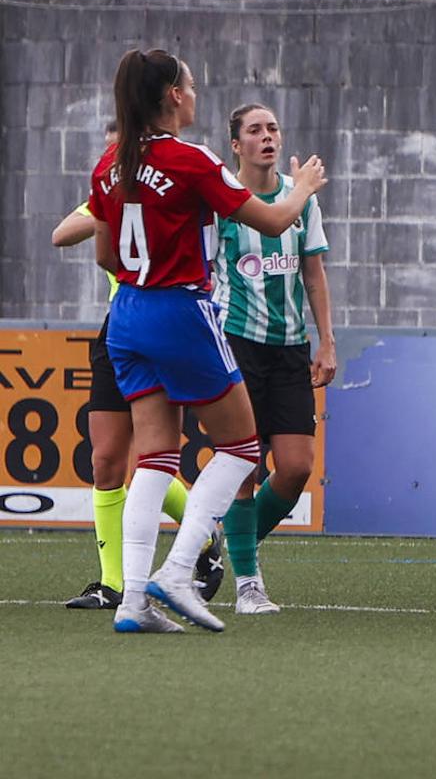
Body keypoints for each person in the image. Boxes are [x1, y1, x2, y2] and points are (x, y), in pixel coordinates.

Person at [89, 48, 326, 633]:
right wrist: (304, 188)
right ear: (172, 95)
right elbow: (272, 221)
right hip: (179, 309)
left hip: (126, 313)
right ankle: (178, 570)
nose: (195, 94)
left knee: (156, 456)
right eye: (190, 85)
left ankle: (133, 601)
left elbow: (102, 253)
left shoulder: (108, 164)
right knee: (243, 449)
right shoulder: (191, 159)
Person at [54, 119, 221, 610]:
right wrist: (109, 206)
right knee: (105, 459)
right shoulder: (109, 188)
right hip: (117, 329)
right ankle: (113, 585)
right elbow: (61, 234)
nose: (115, 164)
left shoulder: (173, 190)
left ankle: (203, 536)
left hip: (163, 326)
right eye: (111, 157)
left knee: (148, 460)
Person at [214, 104, 337, 615]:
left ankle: (223, 543)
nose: (267, 137)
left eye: (272, 129)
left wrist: (326, 340)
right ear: (236, 145)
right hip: (236, 343)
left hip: (290, 349)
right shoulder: (223, 200)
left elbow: (313, 274)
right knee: (245, 463)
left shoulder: (301, 200)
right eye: (254, 131)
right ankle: (248, 585)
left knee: (294, 467)